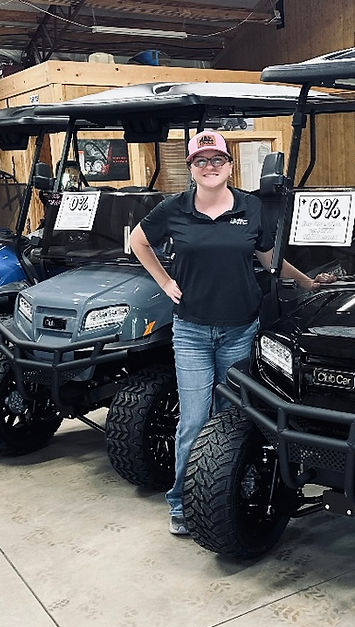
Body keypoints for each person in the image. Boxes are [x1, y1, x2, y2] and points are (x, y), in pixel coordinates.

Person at [129, 130, 334, 536]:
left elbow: (268, 256)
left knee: (231, 419)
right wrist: (165, 282)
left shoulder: (251, 207)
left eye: (216, 160)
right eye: (200, 161)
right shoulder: (174, 209)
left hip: (240, 331)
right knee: (192, 421)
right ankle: (182, 503)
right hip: (191, 332)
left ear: (229, 165)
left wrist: (309, 284)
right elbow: (137, 241)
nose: (209, 167)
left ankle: (218, 499)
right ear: (190, 168)